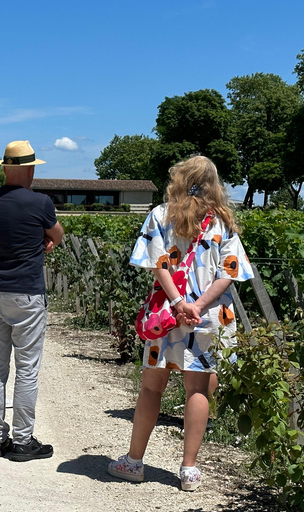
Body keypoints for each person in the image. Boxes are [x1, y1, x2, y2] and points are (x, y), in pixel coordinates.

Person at [108, 155, 253, 490]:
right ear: (215, 185)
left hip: (168, 316)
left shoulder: (160, 216)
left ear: (179, 179)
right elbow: (230, 272)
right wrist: (198, 305)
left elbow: (158, 264)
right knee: (198, 389)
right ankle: (189, 470)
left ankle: (134, 462)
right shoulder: (223, 223)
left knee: (151, 386)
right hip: (209, 316)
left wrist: (178, 303)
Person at [0, 140, 64, 461]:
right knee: (26, 369)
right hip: (26, 292)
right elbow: (58, 234)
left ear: (4, 168)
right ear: (28, 169)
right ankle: (23, 440)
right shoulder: (40, 202)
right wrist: (43, 239)